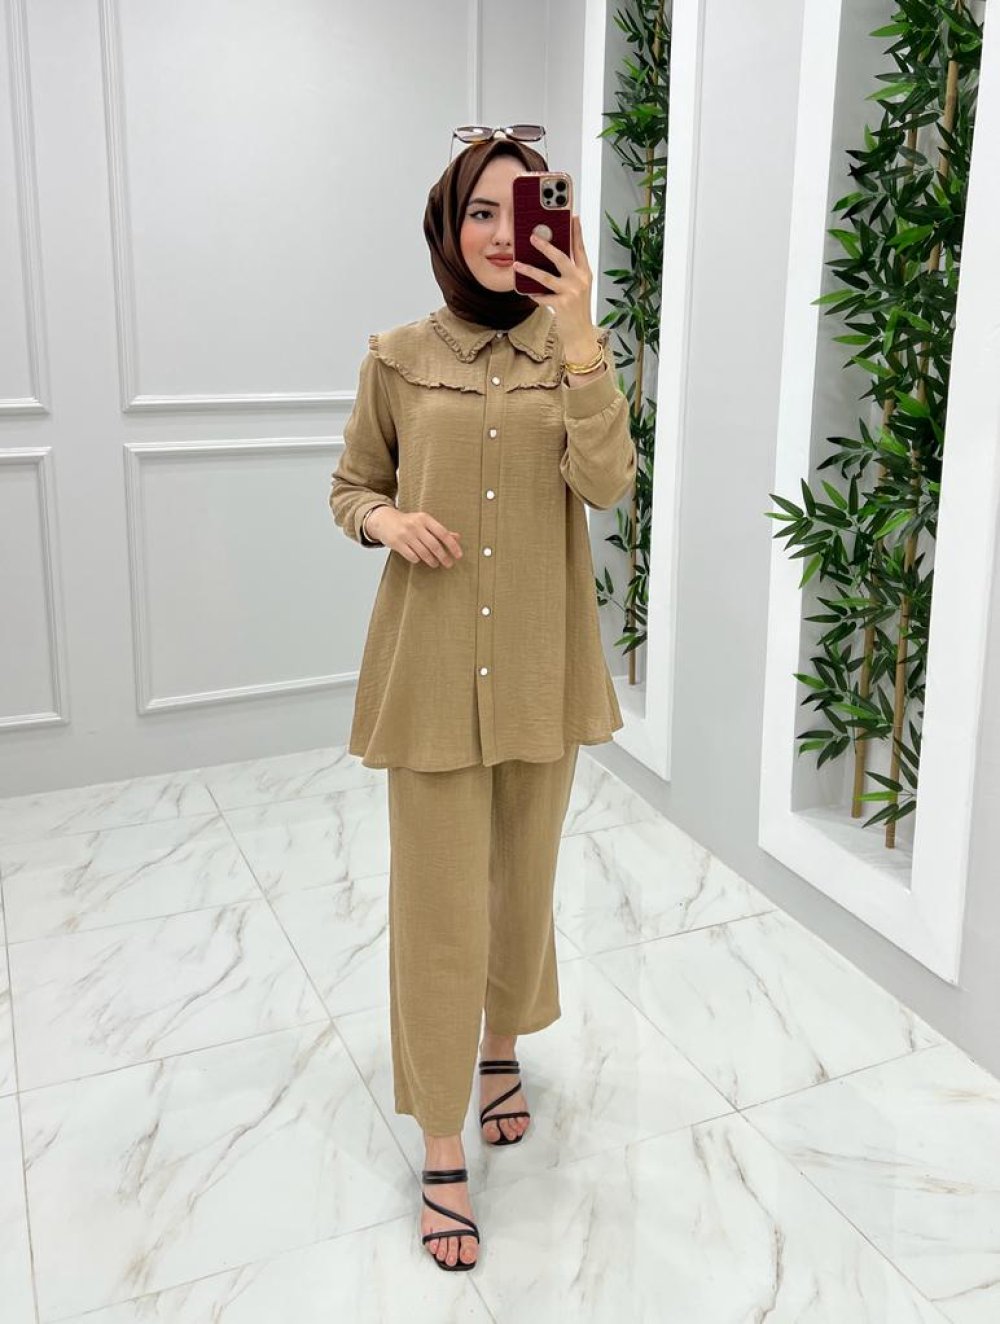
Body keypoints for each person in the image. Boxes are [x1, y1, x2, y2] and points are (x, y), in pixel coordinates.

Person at [329, 128, 636, 1271]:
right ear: (445, 227)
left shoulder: (574, 352)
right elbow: (350, 483)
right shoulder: (398, 357)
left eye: (526, 209)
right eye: (481, 213)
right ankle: (441, 1136)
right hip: (429, 673)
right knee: (439, 905)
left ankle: (502, 1045)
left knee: (523, 881)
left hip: (543, 669)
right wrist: (385, 519)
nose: (506, 234)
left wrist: (582, 338)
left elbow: (607, 485)